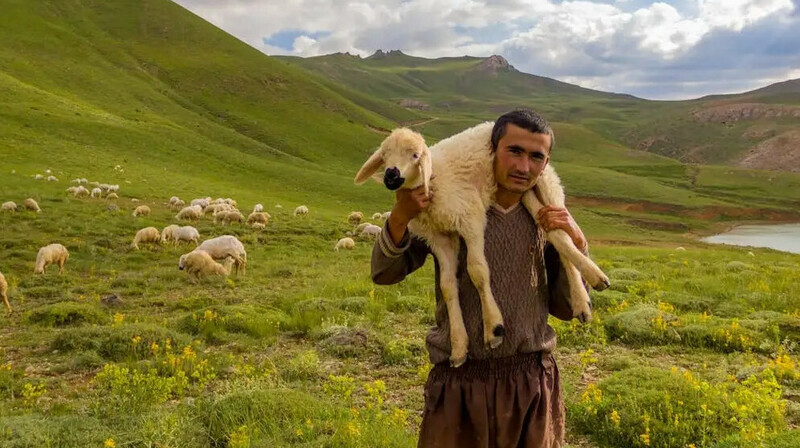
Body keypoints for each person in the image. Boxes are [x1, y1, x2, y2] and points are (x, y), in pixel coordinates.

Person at [370, 109, 590, 448]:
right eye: (514, 151)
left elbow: (564, 307)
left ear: (545, 165)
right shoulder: (447, 205)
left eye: (536, 157)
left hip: (529, 380)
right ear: (493, 151)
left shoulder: (544, 219)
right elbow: (385, 273)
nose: (523, 167)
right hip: (460, 382)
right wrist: (401, 216)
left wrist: (576, 241)